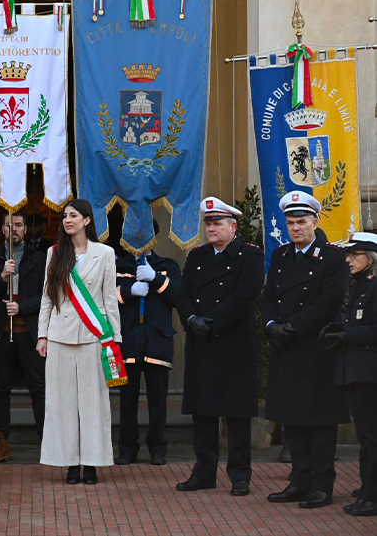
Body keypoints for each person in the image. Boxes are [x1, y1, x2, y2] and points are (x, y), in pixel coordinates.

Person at [263, 191, 349, 509]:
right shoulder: (283, 255)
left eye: (302, 222)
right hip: (286, 348)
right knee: (292, 418)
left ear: (315, 222)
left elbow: (330, 301)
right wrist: (272, 324)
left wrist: (293, 327)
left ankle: (321, 485)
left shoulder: (333, 257)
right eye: (290, 222)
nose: (295, 228)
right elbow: (269, 295)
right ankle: (299, 481)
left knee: (320, 422)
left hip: (316, 349)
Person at [176, 197, 263, 497]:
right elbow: (183, 293)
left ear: (233, 226)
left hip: (233, 343)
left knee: (237, 413)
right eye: (208, 224)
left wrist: (210, 322)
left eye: (217, 224)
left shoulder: (250, 256)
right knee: (204, 412)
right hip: (201, 343)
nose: (211, 229)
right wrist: (190, 319)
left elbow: (245, 296)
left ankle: (240, 475)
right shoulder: (197, 256)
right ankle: (204, 472)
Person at [36, 199, 121, 485]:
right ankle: (69, 463)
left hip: (93, 337)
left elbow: (110, 300)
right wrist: (42, 334)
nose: (67, 220)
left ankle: (92, 463)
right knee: (61, 403)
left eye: (73, 215)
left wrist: (114, 340)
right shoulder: (54, 253)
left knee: (93, 402)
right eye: (64, 216)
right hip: (60, 335)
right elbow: (48, 297)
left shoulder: (105, 253)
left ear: (87, 220)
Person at [0, 211, 46, 463]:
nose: (14, 229)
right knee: (1, 388)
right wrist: (2, 278)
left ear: (26, 229)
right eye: (9, 225)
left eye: (18, 224)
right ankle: (1, 443)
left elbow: (48, 296)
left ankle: (47, 442)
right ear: (3, 229)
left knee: (39, 388)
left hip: (30, 332)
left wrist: (22, 307)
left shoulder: (39, 259)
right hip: (0, 332)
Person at [115, 224, 181, 466]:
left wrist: (155, 279)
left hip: (157, 338)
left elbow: (178, 296)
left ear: (153, 238)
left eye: (144, 235)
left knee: (158, 398)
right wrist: (128, 290)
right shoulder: (118, 265)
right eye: (134, 234)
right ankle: (127, 448)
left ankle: (158, 448)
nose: (139, 239)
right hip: (128, 337)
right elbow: (105, 298)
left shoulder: (168, 266)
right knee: (127, 398)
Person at [321, 232, 377, 516]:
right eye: (348, 254)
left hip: (369, 372)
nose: (348, 259)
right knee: (365, 436)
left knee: (371, 437)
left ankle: (372, 494)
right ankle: (368, 489)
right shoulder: (356, 286)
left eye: (355, 255)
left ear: (371, 258)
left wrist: (346, 335)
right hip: (353, 370)